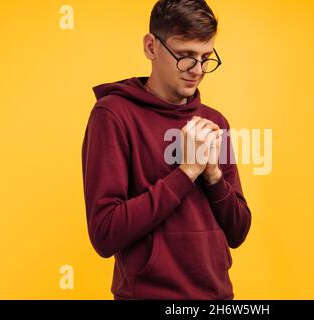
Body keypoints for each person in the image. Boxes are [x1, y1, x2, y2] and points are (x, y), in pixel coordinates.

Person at [81, 0, 251, 300]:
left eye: (205, 58)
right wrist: (185, 173)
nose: (197, 70)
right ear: (151, 47)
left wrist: (212, 176)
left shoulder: (214, 122)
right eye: (185, 56)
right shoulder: (113, 115)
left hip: (218, 298)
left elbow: (238, 232)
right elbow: (105, 234)